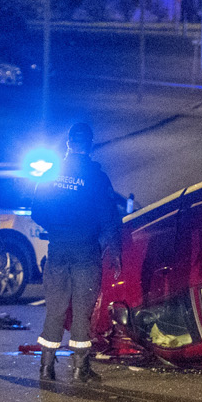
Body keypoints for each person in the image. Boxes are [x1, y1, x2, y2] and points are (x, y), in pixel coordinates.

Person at [32, 122, 123, 383]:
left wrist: (58, 229)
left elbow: (37, 211)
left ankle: (46, 367)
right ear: (90, 144)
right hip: (85, 250)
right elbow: (109, 218)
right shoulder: (97, 177)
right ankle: (80, 368)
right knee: (83, 310)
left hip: (58, 249)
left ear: (68, 143)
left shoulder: (51, 173)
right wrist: (114, 251)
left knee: (55, 308)